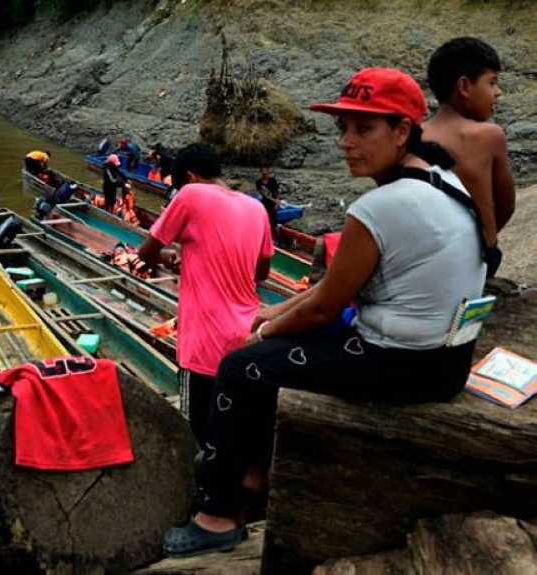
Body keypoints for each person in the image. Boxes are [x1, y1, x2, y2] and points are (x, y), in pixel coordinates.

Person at [162, 68, 486, 558]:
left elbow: (325, 306)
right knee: (273, 345)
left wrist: (262, 330)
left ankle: (217, 514)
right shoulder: (445, 182)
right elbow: (335, 290)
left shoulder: (379, 208)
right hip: (449, 358)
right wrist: (271, 316)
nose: (347, 142)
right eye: (343, 129)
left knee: (240, 367)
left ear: (403, 131)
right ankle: (255, 472)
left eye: (364, 129)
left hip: (403, 362)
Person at [138, 143, 273, 448]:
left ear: (190, 176)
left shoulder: (191, 194)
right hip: (247, 338)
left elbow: (146, 253)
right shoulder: (257, 208)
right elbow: (260, 273)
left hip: (204, 347)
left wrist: (170, 258)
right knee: (236, 433)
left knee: (197, 436)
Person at [423, 37, 515, 277]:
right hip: (477, 257)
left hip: (427, 257)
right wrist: (485, 239)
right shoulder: (489, 135)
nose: (498, 92)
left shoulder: (415, 135)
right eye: (492, 82)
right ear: (464, 87)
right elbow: (506, 205)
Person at [255, 165, 281, 241]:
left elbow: (277, 192)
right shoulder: (258, 182)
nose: (265, 173)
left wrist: (278, 201)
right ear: (261, 172)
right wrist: (275, 201)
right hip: (265, 203)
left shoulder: (273, 181)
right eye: (263, 172)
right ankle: (268, 238)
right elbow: (264, 195)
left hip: (273, 203)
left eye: (266, 172)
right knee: (267, 220)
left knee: (274, 221)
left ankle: (277, 238)